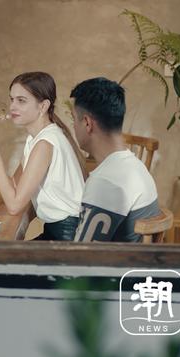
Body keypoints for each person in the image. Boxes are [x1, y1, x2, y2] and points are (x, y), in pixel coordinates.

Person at [0, 72, 86, 240]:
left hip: (68, 237)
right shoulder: (35, 139)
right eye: (12, 99)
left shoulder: (45, 143)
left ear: (43, 106)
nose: (12, 107)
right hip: (59, 231)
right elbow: (15, 187)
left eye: (21, 100)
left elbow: (14, 206)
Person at [70, 77, 159, 242]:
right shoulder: (137, 167)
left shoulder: (106, 182)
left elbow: (82, 254)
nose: (73, 126)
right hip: (136, 257)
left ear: (87, 123)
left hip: (117, 260)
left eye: (74, 119)